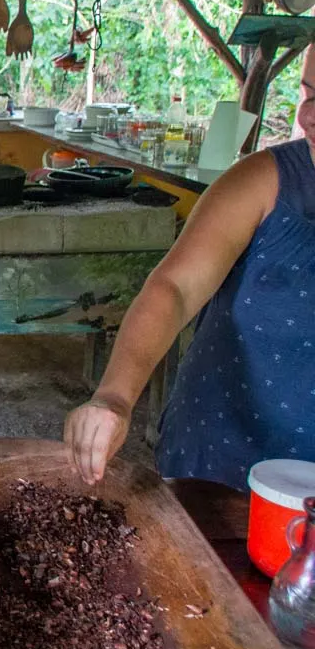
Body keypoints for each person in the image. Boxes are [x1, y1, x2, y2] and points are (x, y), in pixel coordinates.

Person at [64, 70, 315, 491]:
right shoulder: (265, 182)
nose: (307, 115)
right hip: (222, 461)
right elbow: (174, 289)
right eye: (308, 92)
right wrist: (114, 396)